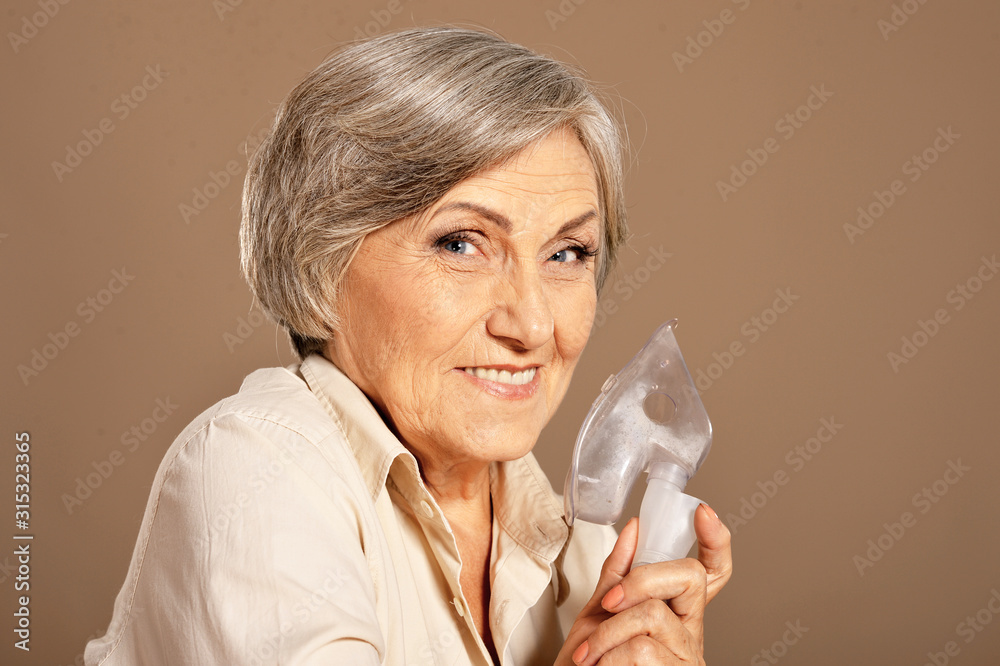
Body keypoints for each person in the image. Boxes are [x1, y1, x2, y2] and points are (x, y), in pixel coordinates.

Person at [85, 26, 732, 665]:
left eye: (567, 253)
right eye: (461, 243)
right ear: (321, 258)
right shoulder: (252, 467)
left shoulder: (582, 552)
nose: (533, 325)